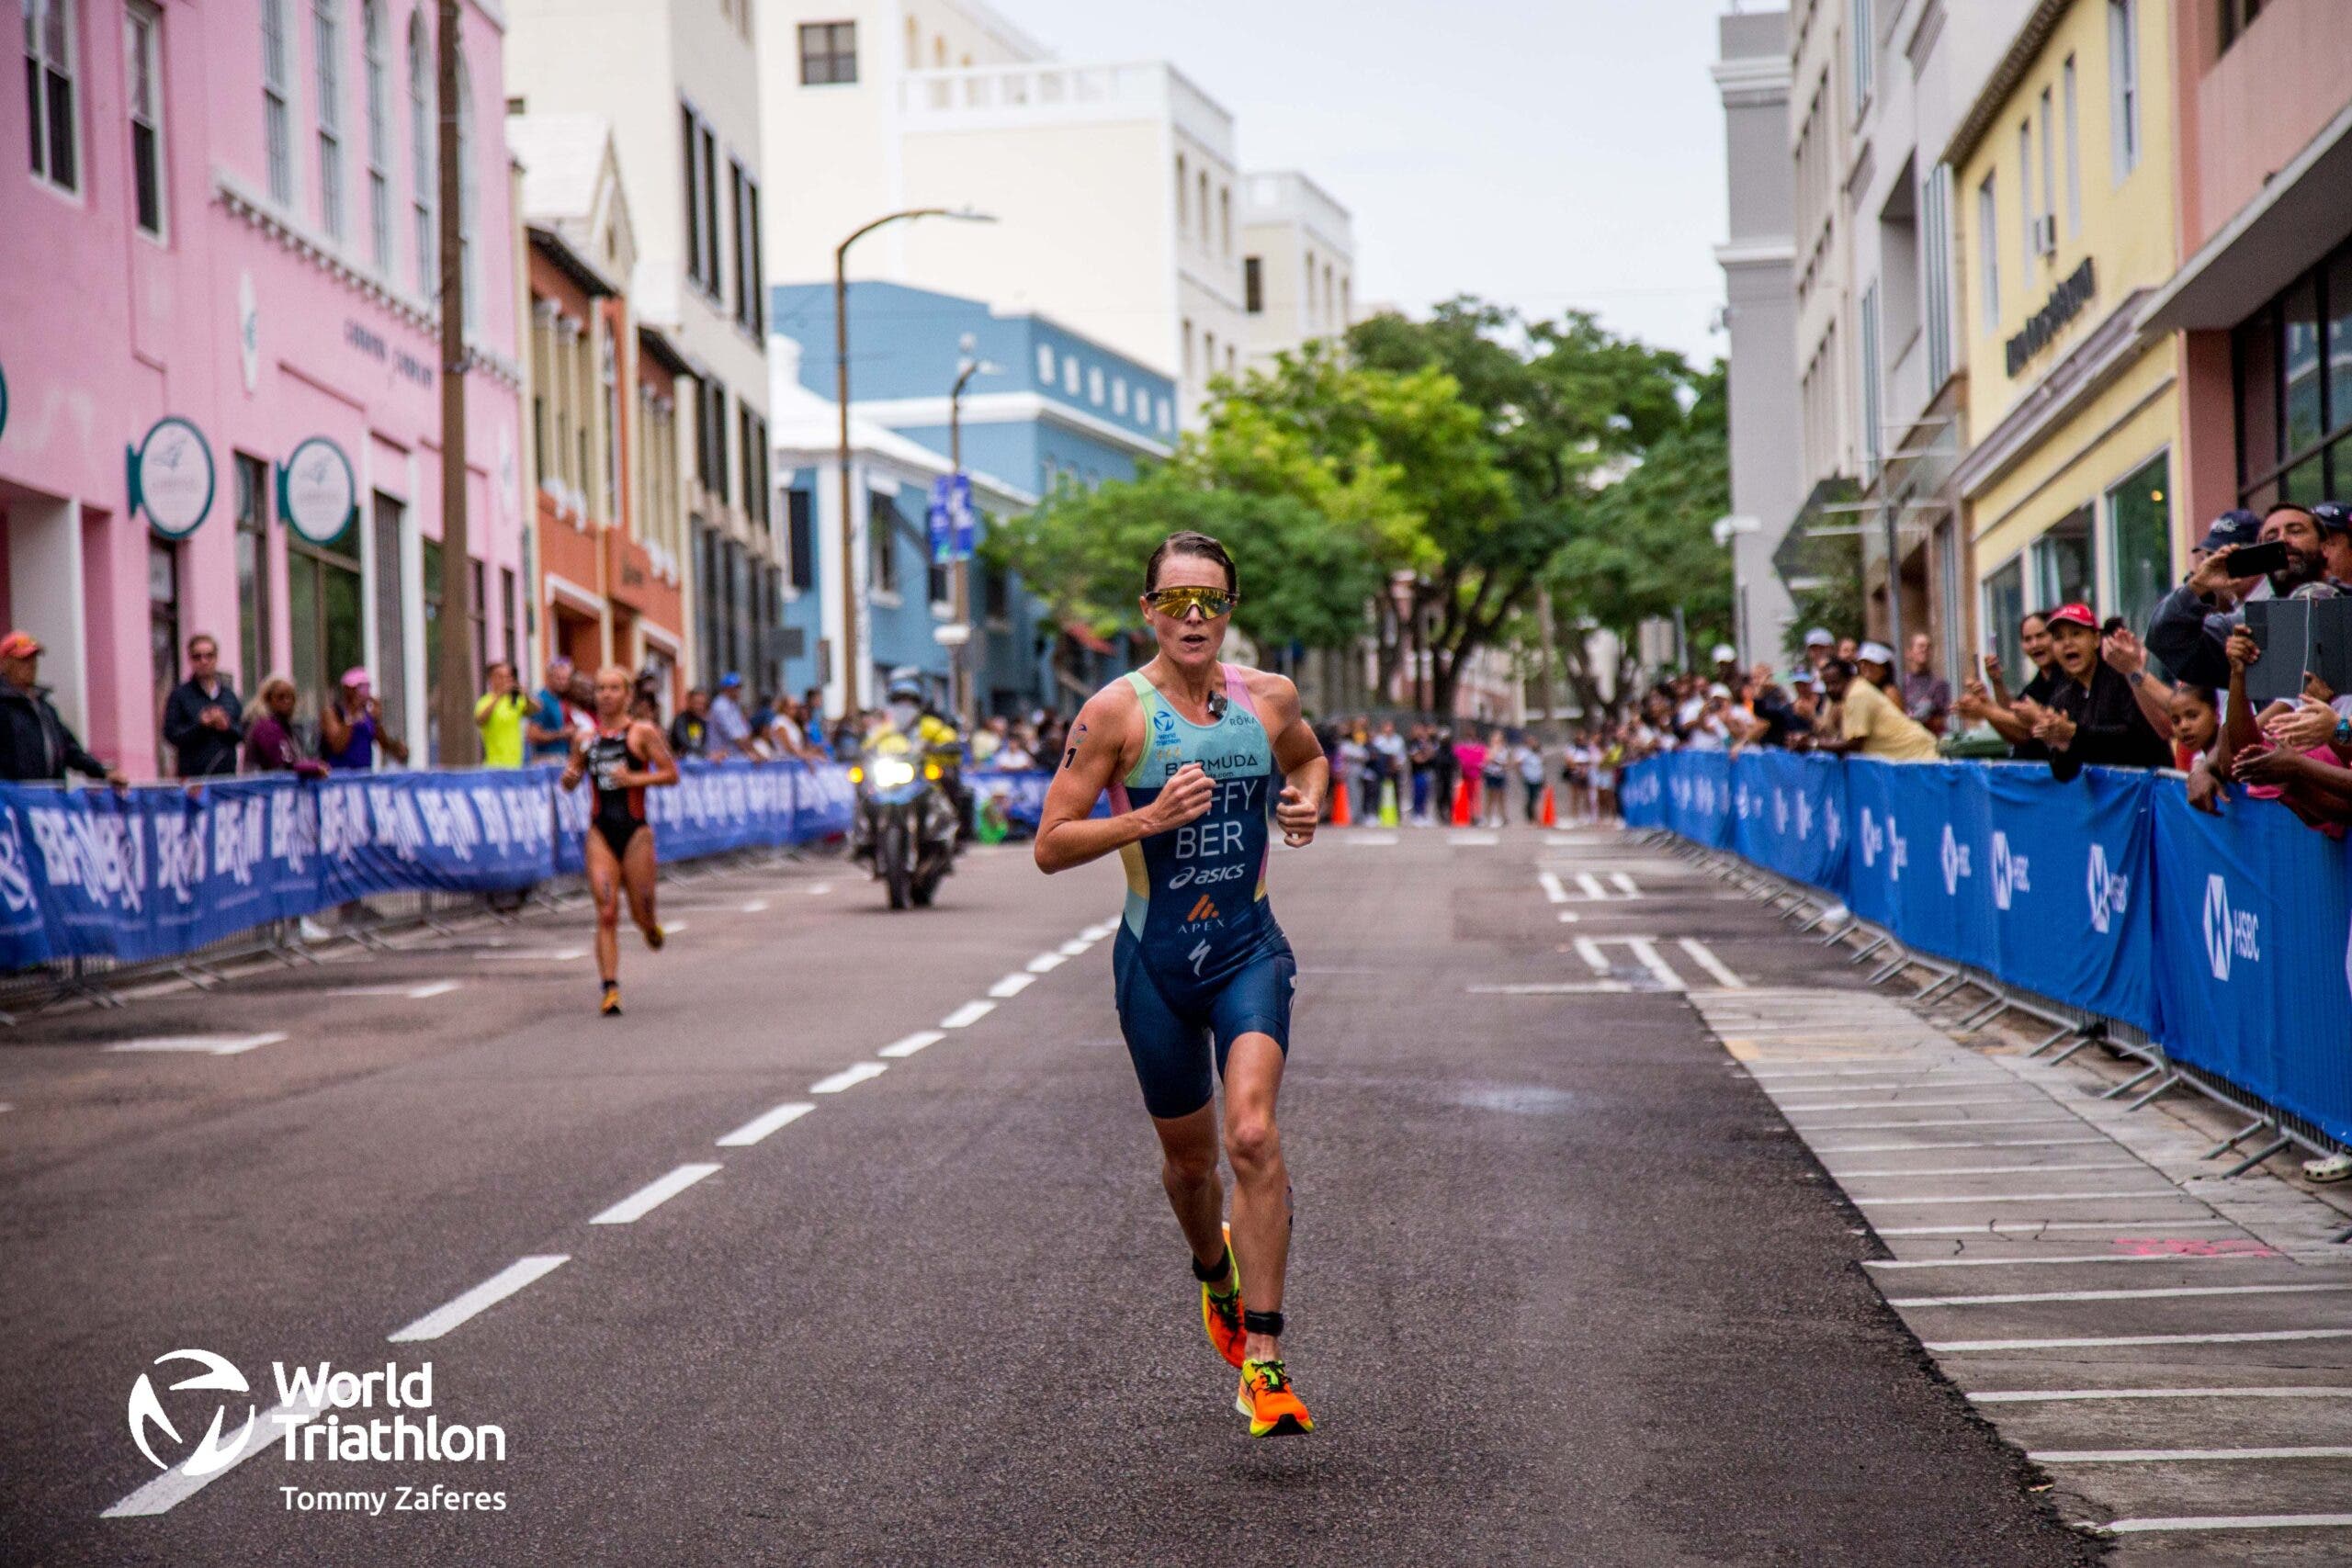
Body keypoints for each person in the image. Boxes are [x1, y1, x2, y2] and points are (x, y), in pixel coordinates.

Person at [1033, 529, 1326, 1439]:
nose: (1193, 618)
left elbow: (1309, 758)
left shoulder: (1268, 700)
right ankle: (1214, 1272)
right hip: (1154, 966)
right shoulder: (1113, 714)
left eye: (1211, 602)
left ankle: (1266, 1364)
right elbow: (1048, 842)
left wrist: (1307, 797)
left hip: (1247, 952)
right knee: (1192, 1165)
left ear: (1229, 612)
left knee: (1250, 1132)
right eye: (1176, 602)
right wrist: (1149, 818)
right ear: (1148, 612)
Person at [559, 664, 680, 1017]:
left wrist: (634, 779)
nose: (607, 695)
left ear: (627, 695)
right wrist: (568, 779)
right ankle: (610, 988)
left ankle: (649, 927)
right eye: (601, 688)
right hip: (600, 832)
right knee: (607, 912)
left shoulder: (642, 733)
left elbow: (672, 775)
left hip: (636, 832)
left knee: (642, 912)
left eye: (614, 688)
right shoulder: (584, 738)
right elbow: (572, 777)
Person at [2148, 503, 2333, 689]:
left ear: (2325, 547)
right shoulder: (2246, 627)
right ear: (2261, 555)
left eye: (2296, 531)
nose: (2283, 539)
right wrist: (2198, 586)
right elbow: (2166, 639)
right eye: (2271, 537)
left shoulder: (2346, 600)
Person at [2017, 603, 2172, 780]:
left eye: (2076, 634)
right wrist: (2061, 744)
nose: (2068, 643)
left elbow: (2139, 740)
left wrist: (2074, 733)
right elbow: (2064, 774)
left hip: (2147, 794)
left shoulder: (2123, 677)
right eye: (2059, 638)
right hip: (2106, 803)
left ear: (2096, 639)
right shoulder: (2062, 697)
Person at [0, 631, 127, 785]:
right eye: (24, 659)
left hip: (47, 801)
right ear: (5, 664)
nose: (32, 665)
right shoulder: (4, 706)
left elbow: (70, 750)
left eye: (34, 659)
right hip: (12, 803)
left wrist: (103, 772)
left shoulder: (45, 710)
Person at [1814, 658, 1939, 761]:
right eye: (1827, 685)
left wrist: (1813, 744)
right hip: (1909, 759)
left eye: (1835, 683)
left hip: (1919, 757)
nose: (1830, 689)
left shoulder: (1857, 695)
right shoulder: (1854, 692)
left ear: (1848, 678)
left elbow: (1855, 745)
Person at [161, 634, 243, 777]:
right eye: (197, 657)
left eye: (209, 656)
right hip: (194, 781)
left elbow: (242, 732)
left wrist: (226, 726)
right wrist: (200, 725)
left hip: (226, 780)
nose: (203, 661)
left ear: (216, 658)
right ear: (190, 660)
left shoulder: (229, 696)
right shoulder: (180, 695)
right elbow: (171, 734)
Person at [320, 669, 409, 771]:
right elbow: (337, 747)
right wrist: (352, 718)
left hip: (363, 777)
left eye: (367, 687)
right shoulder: (333, 713)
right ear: (349, 690)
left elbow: (384, 745)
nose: (366, 693)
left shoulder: (367, 716)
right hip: (339, 778)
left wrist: (377, 721)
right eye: (362, 688)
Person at [243, 675, 326, 776]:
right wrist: (314, 768)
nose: (287, 701)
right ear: (268, 700)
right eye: (280, 697)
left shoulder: (286, 727)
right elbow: (284, 764)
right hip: (261, 788)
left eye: (291, 697)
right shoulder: (266, 727)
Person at [473, 661, 534, 768]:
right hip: (494, 766)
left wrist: (526, 695)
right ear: (491, 679)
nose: (505, 680)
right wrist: (499, 695)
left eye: (508, 676)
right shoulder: (485, 701)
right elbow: (480, 720)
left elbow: (536, 709)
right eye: (500, 676)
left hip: (516, 765)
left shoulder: (514, 700)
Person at [1898, 633, 1951, 735]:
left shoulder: (1939, 685)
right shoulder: (1901, 684)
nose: (1925, 650)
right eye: (1920, 646)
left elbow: (1940, 720)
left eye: (1928, 647)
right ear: (1909, 652)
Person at [527, 657, 578, 762]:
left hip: (563, 756)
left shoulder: (561, 699)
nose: (563, 682)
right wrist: (561, 734)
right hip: (547, 759)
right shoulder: (541, 700)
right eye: (558, 678)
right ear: (548, 678)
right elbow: (532, 735)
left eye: (566, 679)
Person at [707, 673, 752, 760]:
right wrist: (751, 753)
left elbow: (745, 733)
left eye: (739, 688)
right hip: (721, 758)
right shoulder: (720, 706)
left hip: (735, 756)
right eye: (736, 688)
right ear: (727, 689)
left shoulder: (734, 705)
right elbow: (735, 737)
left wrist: (752, 751)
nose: (739, 691)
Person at [669, 687, 711, 759]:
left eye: (702, 704)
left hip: (699, 759)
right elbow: (685, 743)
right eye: (697, 703)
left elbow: (705, 742)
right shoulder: (681, 720)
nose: (700, 707)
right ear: (689, 702)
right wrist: (706, 754)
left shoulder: (702, 721)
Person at [1513, 731, 1545, 822]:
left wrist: (1543, 777)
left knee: (1537, 797)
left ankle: (1537, 816)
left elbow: (1541, 765)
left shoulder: (1538, 752)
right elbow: (1517, 763)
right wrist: (1521, 774)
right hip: (1528, 778)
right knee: (1531, 798)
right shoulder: (1523, 752)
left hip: (1538, 777)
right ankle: (1531, 817)